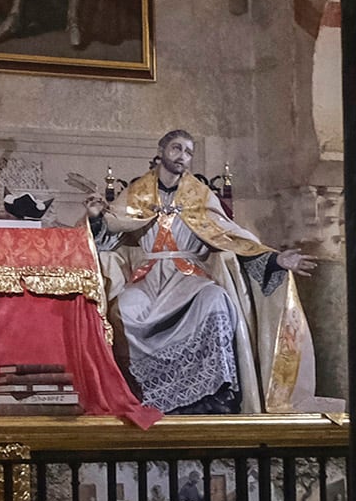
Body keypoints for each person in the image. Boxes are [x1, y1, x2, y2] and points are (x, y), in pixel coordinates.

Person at [91, 129, 317, 415]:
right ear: (161, 152)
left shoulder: (200, 196)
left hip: (188, 277)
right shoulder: (136, 195)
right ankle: (138, 391)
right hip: (148, 278)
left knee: (215, 300)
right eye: (176, 148)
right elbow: (109, 233)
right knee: (124, 309)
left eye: (188, 152)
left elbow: (232, 237)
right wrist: (95, 218)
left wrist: (274, 260)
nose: (182, 156)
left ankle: (215, 392)